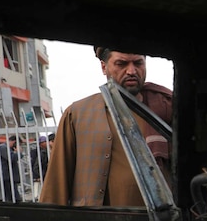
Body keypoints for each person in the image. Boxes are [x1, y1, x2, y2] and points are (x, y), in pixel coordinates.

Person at [40, 47, 172, 206]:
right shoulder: (77, 114)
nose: (131, 71)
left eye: (138, 63)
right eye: (121, 64)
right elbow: (57, 181)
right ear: (104, 67)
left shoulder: (166, 109)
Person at [0, 135, 22, 202]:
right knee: (7, 198)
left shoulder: (7, 149)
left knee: (13, 198)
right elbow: (11, 158)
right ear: (14, 142)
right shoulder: (3, 148)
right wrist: (19, 153)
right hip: (3, 177)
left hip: (7, 177)